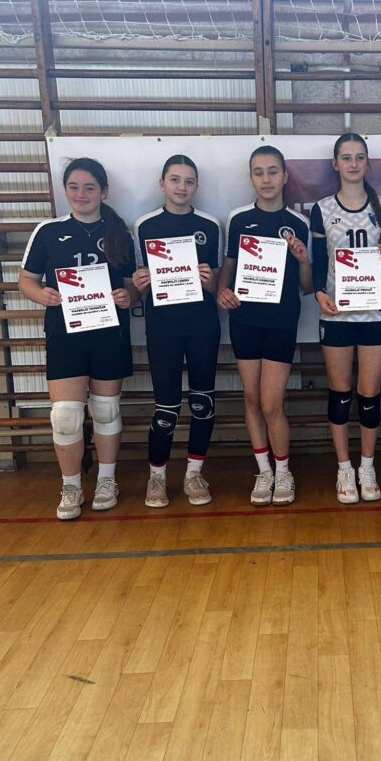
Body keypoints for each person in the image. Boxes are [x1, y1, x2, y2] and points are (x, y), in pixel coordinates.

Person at [18, 157, 136, 520]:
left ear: (104, 192)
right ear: (65, 190)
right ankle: (70, 486)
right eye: (74, 187)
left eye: (89, 187)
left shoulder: (120, 233)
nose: (81, 194)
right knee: (66, 416)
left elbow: (133, 284)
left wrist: (129, 296)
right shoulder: (48, 231)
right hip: (65, 335)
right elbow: (26, 281)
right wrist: (42, 295)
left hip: (108, 333)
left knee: (105, 410)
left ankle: (106, 480)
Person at [217, 145, 312, 506]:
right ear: (251, 178)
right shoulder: (238, 219)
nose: (266, 179)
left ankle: (284, 472)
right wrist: (222, 290)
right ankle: (264, 471)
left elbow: (306, 286)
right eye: (259, 172)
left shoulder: (299, 223)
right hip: (244, 318)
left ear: (285, 176)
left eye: (273, 171)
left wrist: (303, 260)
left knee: (272, 404)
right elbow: (228, 265)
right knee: (252, 399)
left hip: (281, 320)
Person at [310, 133, 381, 503]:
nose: (353, 163)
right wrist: (319, 293)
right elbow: (318, 262)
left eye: (359, 157)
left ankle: (367, 466)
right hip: (338, 314)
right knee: (340, 394)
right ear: (335, 164)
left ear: (367, 162)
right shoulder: (322, 208)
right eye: (346, 157)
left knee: (370, 395)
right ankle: (344, 468)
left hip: (374, 312)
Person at [132, 155, 222, 508]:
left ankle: (193, 474)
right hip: (163, 327)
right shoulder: (145, 225)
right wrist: (139, 283)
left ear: (196, 186)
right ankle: (156, 477)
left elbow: (218, 282)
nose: (181, 186)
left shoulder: (210, 225)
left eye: (188, 180)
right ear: (162, 184)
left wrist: (211, 282)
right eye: (174, 179)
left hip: (202, 326)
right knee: (166, 407)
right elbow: (136, 282)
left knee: (202, 403)